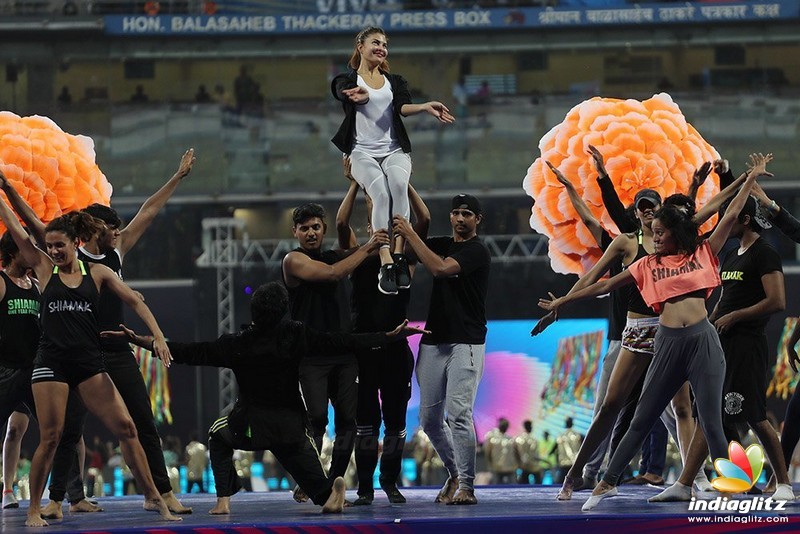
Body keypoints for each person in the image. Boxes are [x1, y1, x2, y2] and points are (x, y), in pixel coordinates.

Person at [538, 152, 773, 511]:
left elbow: (726, 211)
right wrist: (564, 302)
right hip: (665, 342)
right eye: (653, 231)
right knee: (642, 415)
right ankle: (605, 483)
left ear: (674, 232)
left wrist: (748, 177)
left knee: (710, 421)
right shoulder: (646, 264)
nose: (655, 236)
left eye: (661, 232)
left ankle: (734, 489)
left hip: (703, 341)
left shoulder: (703, 252)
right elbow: (603, 285)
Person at [104, 281, 428, 514]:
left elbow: (190, 352)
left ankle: (223, 501)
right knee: (309, 477)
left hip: (248, 427)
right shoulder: (297, 336)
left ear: (254, 312)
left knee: (216, 437)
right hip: (290, 428)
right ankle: (328, 494)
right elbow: (342, 341)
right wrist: (388, 336)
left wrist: (142, 341)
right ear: (284, 311)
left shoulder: (237, 343)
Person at [3, 150, 196, 517]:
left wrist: (178, 175)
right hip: (67, 353)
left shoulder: (110, 261)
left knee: (139, 422)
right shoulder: (60, 257)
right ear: (92, 232)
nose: (119, 233)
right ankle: (58, 500)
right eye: (113, 229)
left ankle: (160, 494)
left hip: (111, 351)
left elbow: (149, 213)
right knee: (63, 432)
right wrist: (7, 190)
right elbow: (28, 226)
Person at [652, 194, 793, 503]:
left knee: (754, 415)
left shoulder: (764, 253)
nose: (723, 224)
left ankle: (784, 482)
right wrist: (710, 321)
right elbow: (723, 301)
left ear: (745, 220)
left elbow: (777, 301)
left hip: (747, 345)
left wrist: (735, 316)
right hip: (721, 342)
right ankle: (685, 483)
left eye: (732, 218)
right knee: (707, 413)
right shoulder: (731, 254)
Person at [331, 26, 454, 295]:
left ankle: (399, 255)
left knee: (398, 184)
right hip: (361, 152)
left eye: (385, 45)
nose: (381, 48)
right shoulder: (348, 79)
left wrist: (424, 106)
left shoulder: (395, 81)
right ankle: (384, 257)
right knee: (380, 194)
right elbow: (339, 89)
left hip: (395, 150)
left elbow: (401, 107)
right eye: (375, 42)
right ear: (360, 46)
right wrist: (352, 95)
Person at [336, 157, 430, 505]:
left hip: (395, 353)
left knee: (394, 424)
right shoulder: (359, 255)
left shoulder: (406, 257)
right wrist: (356, 182)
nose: (382, 208)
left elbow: (425, 220)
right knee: (365, 426)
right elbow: (341, 221)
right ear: (369, 214)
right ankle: (364, 489)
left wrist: (403, 181)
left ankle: (389, 482)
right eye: (376, 204)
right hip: (363, 351)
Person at [282, 202, 389, 500]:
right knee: (316, 419)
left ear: (323, 229)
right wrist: (367, 247)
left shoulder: (332, 255)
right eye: (304, 228)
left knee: (347, 422)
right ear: (295, 232)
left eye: (316, 227)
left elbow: (345, 238)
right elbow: (332, 273)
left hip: (344, 355)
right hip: (312, 357)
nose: (311, 233)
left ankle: (333, 482)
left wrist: (355, 184)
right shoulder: (292, 260)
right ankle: (311, 477)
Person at [393, 193, 491, 505]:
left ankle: (467, 486)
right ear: (450, 217)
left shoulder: (477, 250)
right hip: (434, 342)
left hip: (467, 341)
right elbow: (408, 252)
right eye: (456, 213)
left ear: (477, 220)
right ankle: (453, 473)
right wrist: (403, 192)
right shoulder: (440, 242)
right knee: (428, 420)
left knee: (458, 414)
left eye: (467, 214)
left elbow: (440, 269)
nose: (460, 219)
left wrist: (410, 233)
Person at [0, 231, 41, 509]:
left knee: (57, 429)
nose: (34, 253)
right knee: (10, 430)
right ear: (13, 252)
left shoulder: (37, 284)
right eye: (27, 249)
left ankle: (72, 493)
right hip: (5, 370)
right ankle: (7, 490)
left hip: (34, 369)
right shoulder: (1, 281)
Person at [484, 418, 517, 484]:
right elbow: (488, 452)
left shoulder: (509, 439)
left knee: (510, 487)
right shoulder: (493, 438)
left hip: (505, 467)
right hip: (499, 468)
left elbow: (515, 453)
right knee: (497, 486)